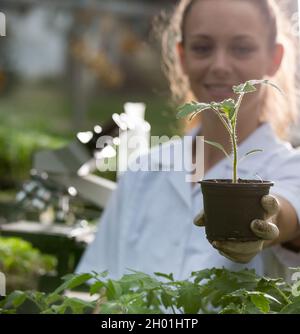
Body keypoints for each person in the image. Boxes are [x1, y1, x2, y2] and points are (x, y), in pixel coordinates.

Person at [77, 0, 300, 281]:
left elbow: (287, 216)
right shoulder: (143, 171)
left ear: (274, 58)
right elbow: (101, 291)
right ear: (182, 56)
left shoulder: (292, 169)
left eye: (242, 48)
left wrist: (262, 221)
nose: (219, 65)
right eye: (202, 48)